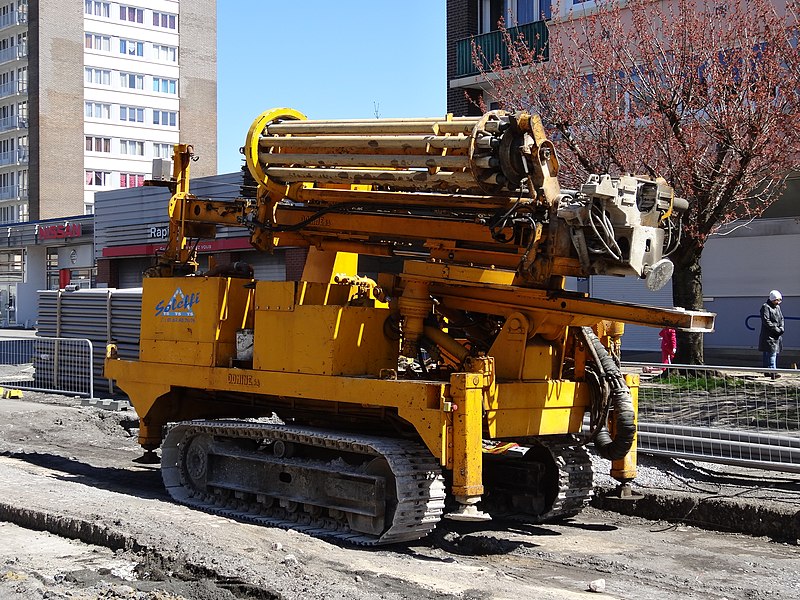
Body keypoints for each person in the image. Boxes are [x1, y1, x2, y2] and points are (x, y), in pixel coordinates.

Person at [759, 290, 784, 379]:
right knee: (771, 353)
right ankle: (773, 371)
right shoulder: (765, 307)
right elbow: (766, 321)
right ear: (772, 299)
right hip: (768, 335)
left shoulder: (777, 308)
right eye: (777, 300)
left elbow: (781, 318)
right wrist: (776, 329)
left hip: (775, 334)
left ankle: (767, 371)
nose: (778, 302)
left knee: (769, 353)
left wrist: (781, 328)